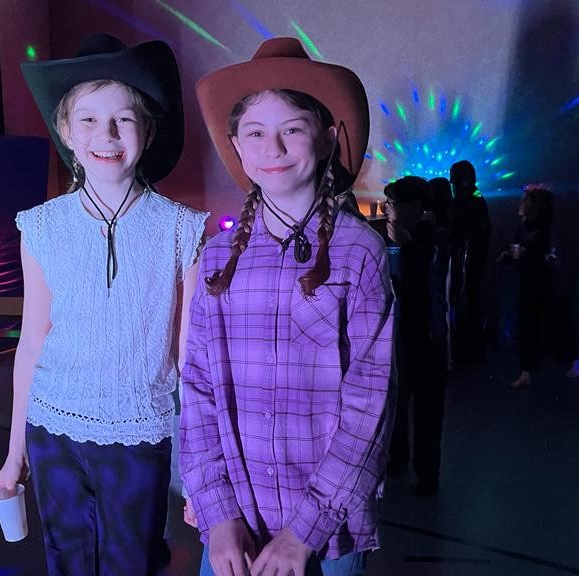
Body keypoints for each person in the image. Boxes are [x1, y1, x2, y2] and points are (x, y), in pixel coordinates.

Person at [0, 34, 207, 576]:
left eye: (123, 119)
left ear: (148, 131)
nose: (106, 135)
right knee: (66, 562)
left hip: (139, 432)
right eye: (87, 119)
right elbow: (32, 343)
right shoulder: (42, 226)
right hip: (52, 428)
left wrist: (199, 468)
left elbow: (189, 357)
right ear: (66, 131)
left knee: (132, 563)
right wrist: (15, 453)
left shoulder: (180, 230)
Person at [180, 38, 394, 576]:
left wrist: (305, 531)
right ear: (236, 146)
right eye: (255, 133)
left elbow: (370, 402)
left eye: (292, 129)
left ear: (327, 139)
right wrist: (216, 511)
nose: (272, 147)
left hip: (328, 530)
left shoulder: (358, 253)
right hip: (236, 524)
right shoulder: (217, 258)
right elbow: (198, 387)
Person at [383, 177, 450, 496]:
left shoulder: (435, 237)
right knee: (396, 403)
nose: (388, 209)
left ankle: (427, 475)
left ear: (413, 207)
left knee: (427, 409)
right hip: (400, 333)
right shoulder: (394, 238)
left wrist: (407, 246)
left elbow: (428, 282)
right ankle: (398, 460)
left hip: (429, 335)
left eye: (393, 204)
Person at [501, 185, 553, 388]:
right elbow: (519, 246)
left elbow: (545, 254)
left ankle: (530, 369)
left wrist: (526, 253)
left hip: (540, 280)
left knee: (540, 324)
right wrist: (508, 253)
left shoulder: (545, 227)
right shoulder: (523, 225)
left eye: (525, 200)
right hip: (525, 279)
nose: (520, 203)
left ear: (535, 205)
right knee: (528, 325)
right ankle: (527, 371)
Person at [449, 160, 490, 364]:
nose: (451, 182)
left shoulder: (472, 200)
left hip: (469, 262)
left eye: (454, 178)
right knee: (468, 303)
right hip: (470, 262)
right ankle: (469, 351)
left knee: (468, 303)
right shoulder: (474, 198)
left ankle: (468, 353)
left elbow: (467, 232)